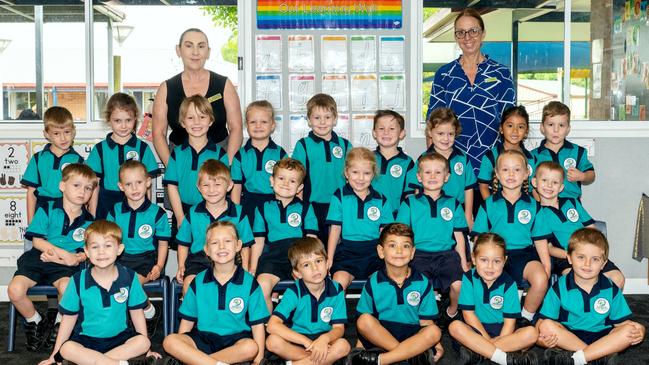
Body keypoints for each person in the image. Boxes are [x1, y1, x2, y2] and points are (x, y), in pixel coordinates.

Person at [38, 220, 157, 365]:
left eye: (108, 246)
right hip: (86, 341)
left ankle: (94, 362)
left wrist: (147, 350)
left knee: (143, 342)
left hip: (119, 339)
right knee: (67, 349)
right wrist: (54, 354)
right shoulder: (77, 281)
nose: (101, 252)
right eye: (95, 247)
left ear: (119, 249)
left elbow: (137, 313)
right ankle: (120, 363)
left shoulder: (130, 277)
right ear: (86, 252)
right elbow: (68, 319)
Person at [8, 163, 96, 351]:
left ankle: (59, 325)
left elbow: (84, 253)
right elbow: (38, 242)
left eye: (88, 188)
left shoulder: (89, 222)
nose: (83, 191)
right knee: (15, 290)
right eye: (77, 185)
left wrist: (75, 258)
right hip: (39, 257)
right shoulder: (47, 208)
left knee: (67, 288)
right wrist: (63, 254)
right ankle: (35, 321)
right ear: (62, 186)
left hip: (65, 267)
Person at [162, 221, 269, 365]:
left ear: (238, 245)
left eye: (227, 241)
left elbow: (257, 326)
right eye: (214, 243)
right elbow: (187, 322)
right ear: (206, 249)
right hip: (203, 339)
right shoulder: (198, 281)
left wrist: (258, 360)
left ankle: (199, 362)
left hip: (235, 342)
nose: (221, 247)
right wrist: (184, 352)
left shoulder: (250, 283)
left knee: (251, 347)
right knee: (170, 341)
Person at [537, 228, 645, 365]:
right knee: (546, 326)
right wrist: (541, 340)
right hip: (570, 336)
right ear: (569, 258)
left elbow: (622, 324)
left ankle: (578, 358)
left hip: (603, 337)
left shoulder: (611, 288)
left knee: (630, 329)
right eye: (581, 257)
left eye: (595, 259)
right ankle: (595, 356)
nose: (587, 264)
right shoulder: (559, 287)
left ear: (603, 264)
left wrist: (640, 330)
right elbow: (542, 323)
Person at [426, 8, 516, 172]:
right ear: (455, 37)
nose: (467, 37)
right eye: (461, 32)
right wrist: (435, 166)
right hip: (453, 165)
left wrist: (509, 163)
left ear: (483, 33)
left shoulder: (501, 73)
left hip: (494, 163)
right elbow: (433, 124)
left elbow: (511, 122)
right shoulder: (444, 74)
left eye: (473, 31)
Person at [471, 150, 551, 326]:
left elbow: (540, 240)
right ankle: (494, 320)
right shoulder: (488, 204)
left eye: (516, 169)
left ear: (526, 174)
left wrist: (546, 265)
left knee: (541, 279)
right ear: (497, 175)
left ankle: (525, 318)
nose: (511, 174)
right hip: (496, 255)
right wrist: (477, 262)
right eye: (505, 170)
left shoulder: (534, 206)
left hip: (524, 255)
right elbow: (479, 239)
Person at [351, 223, 443, 365]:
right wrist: (359, 348)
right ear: (381, 251)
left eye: (405, 246)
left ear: (412, 252)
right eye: (392, 245)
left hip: (412, 336)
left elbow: (426, 322)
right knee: (363, 320)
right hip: (382, 336)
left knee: (434, 332)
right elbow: (365, 323)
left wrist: (437, 344)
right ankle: (407, 356)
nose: (399, 251)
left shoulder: (423, 283)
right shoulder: (373, 282)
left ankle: (382, 360)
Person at [396, 152, 469, 328]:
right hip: (418, 255)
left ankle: (450, 312)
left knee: (459, 287)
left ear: (447, 177)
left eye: (438, 172)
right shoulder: (409, 203)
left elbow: (459, 236)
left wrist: (464, 263)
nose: (433, 177)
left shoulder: (453, 203)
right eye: (427, 173)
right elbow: (401, 236)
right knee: (420, 289)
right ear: (419, 177)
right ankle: (427, 321)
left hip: (447, 255)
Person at [152, 28, 243, 165]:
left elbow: (236, 128)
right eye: (189, 46)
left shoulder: (224, 85)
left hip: (218, 160)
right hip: (179, 161)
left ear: (208, 52)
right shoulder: (166, 88)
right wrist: (172, 169)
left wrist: (226, 165)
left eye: (201, 46)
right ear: (178, 50)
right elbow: (158, 133)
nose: (195, 52)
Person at [449, 233, 539, 365]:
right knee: (455, 327)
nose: (490, 267)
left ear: (504, 260)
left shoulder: (509, 284)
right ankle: (502, 357)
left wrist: (489, 344)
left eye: (496, 261)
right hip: (475, 331)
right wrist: (486, 340)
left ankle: (480, 353)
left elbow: (509, 323)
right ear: (473, 259)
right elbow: (468, 315)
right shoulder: (468, 278)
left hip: (503, 333)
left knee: (532, 333)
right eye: (484, 260)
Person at [532, 161, 625, 289]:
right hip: (565, 257)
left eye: (555, 182)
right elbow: (549, 248)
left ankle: (604, 308)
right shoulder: (537, 214)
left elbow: (592, 229)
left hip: (590, 251)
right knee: (581, 283)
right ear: (535, 183)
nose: (549, 185)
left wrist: (596, 250)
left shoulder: (573, 203)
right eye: (544, 180)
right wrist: (572, 255)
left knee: (617, 278)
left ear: (561, 187)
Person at [106, 160, 171, 335]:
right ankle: (126, 320)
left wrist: (159, 266)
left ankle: (149, 312)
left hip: (146, 259)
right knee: (112, 284)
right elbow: (109, 241)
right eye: (128, 184)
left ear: (148, 182)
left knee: (130, 284)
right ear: (121, 187)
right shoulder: (115, 211)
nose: (134, 188)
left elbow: (163, 244)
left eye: (139, 183)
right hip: (121, 258)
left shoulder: (158, 214)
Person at [265, 237, 351, 365]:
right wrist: (306, 342)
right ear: (297, 273)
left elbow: (339, 328)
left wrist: (323, 339)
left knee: (344, 345)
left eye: (318, 261)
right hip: (298, 342)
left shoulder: (336, 289)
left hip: (324, 342)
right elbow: (272, 325)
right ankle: (316, 361)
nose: (315, 268)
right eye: (306, 265)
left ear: (327, 263)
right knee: (272, 342)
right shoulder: (294, 292)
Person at [175, 159, 254, 294]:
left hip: (230, 259)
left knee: (235, 289)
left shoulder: (239, 213)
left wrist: (246, 268)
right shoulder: (193, 213)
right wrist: (181, 266)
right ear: (199, 187)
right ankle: (193, 315)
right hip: (199, 260)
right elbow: (183, 243)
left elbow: (246, 245)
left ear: (229, 186)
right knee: (189, 285)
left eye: (217, 184)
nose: (211, 190)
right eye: (206, 185)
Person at [250, 158, 318, 311]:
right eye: (281, 178)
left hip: (299, 258)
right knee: (261, 287)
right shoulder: (262, 208)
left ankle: (303, 327)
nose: (286, 184)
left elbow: (311, 240)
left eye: (292, 181)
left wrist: (311, 265)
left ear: (300, 187)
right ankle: (268, 328)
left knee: (309, 288)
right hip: (273, 259)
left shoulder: (307, 208)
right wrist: (253, 267)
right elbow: (258, 240)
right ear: (272, 181)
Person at [326, 147, 393, 290]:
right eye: (355, 172)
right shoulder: (339, 196)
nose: (361, 178)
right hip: (347, 254)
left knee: (383, 285)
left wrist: (388, 257)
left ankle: (372, 312)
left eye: (367, 173)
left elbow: (386, 234)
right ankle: (338, 313)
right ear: (346, 173)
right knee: (337, 286)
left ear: (373, 174)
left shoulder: (381, 199)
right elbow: (335, 229)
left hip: (374, 254)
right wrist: (329, 258)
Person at [86, 92, 160, 219]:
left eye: (128, 120)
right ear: (109, 120)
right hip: (106, 203)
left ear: (135, 118)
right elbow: (94, 185)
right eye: (118, 121)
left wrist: (148, 210)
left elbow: (148, 185)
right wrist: (93, 214)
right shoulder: (100, 149)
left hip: (135, 201)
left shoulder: (142, 148)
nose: (124, 126)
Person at [162, 94, 230, 233]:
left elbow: (224, 187)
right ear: (182, 122)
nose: (196, 122)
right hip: (183, 211)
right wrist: (180, 218)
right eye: (190, 118)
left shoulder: (220, 154)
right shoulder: (177, 153)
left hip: (213, 213)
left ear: (210, 121)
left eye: (202, 117)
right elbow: (172, 187)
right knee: (184, 252)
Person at [292, 93, 352, 244]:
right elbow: (295, 178)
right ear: (309, 120)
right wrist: (299, 206)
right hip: (312, 206)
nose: (322, 122)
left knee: (337, 247)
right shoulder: (303, 145)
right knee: (313, 248)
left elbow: (354, 176)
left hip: (339, 205)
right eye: (317, 117)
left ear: (335, 119)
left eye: (327, 117)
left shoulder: (345, 145)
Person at [21, 106, 84, 223]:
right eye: (56, 133)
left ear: (73, 131)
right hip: (41, 211)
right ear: (46, 134)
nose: (63, 138)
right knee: (39, 241)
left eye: (67, 132)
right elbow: (31, 193)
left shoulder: (78, 161)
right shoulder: (38, 159)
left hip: (68, 211)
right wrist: (31, 223)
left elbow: (83, 191)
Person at [230, 100, 287, 225]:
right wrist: (235, 213)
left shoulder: (280, 154)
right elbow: (236, 187)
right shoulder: (240, 155)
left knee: (272, 242)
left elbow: (288, 184)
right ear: (247, 125)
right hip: (248, 205)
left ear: (272, 125)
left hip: (274, 204)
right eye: (253, 122)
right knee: (249, 243)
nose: (258, 126)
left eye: (264, 122)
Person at [421, 107, 476, 229]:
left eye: (450, 134)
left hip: (459, 210)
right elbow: (417, 191)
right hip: (432, 210)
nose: (446, 139)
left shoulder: (463, 158)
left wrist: (468, 216)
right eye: (440, 133)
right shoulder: (424, 159)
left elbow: (469, 189)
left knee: (460, 244)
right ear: (430, 132)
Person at [532, 101, 595, 200]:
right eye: (551, 124)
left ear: (568, 129)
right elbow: (531, 186)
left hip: (572, 206)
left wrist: (582, 176)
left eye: (561, 125)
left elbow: (591, 175)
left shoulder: (578, 152)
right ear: (542, 127)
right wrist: (540, 204)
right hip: (544, 206)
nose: (556, 130)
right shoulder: (533, 156)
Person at [478, 105, 535, 199]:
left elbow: (535, 189)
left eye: (520, 127)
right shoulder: (491, 156)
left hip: (524, 211)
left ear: (526, 131)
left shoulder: (532, 158)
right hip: (498, 210)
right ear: (501, 128)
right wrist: (491, 208)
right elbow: (483, 186)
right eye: (510, 126)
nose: (515, 131)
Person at [371, 110, 418, 217]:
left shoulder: (407, 162)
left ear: (401, 134)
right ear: (374, 133)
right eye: (381, 128)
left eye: (392, 129)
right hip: (369, 216)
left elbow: (410, 195)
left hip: (396, 217)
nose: (386, 132)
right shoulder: (367, 159)